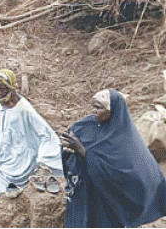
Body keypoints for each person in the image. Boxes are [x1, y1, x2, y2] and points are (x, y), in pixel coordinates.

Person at [60, 90, 166, 227]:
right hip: (84, 191)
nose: (93, 111)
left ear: (113, 111)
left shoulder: (123, 138)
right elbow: (69, 143)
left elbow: (122, 173)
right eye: (92, 106)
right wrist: (66, 147)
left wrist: (82, 150)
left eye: (99, 107)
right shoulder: (85, 125)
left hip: (106, 199)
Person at [0, 69, 63, 201]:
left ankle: (18, 183)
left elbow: (45, 133)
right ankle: (1, 187)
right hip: (4, 152)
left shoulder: (24, 108)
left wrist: (43, 159)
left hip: (22, 155)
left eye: (3, 89)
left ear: (11, 87)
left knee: (18, 171)